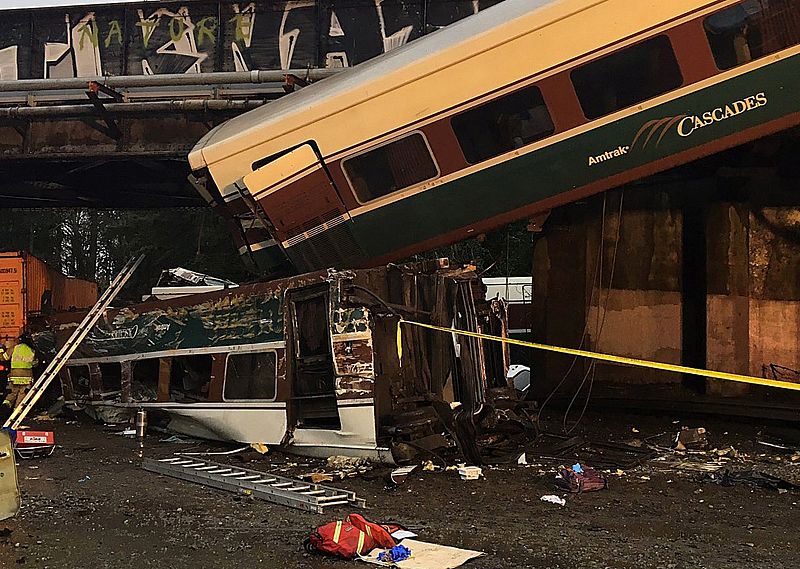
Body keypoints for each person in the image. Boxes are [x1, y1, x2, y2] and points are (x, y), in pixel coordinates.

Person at [2, 333, 38, 413]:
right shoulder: (31, 350)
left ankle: (6, 404)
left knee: (13, 392)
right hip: (26, 376)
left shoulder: (14, 348)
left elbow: (4, 357)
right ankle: (17, 411)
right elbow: (35, 363)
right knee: (22, 393)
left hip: (14, 375)